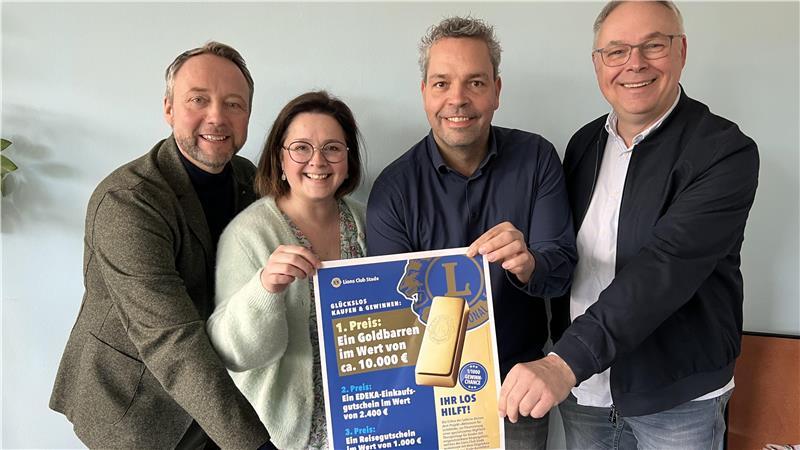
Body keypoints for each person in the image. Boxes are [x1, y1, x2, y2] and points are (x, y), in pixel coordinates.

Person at [497, 2, 759, 449]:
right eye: (616, 51)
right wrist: (532, 265)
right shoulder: (583, 144)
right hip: (585, 396)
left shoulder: (725, 151)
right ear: (598, 64)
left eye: (653, 46)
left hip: (677, 399)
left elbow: (664, 268)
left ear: (681, 51)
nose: (634, 63)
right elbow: (572, 260)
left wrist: (562, 363)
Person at [49, 42, 274, 448]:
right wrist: (256, 445)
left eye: (234, 104)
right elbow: (170, 340)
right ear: (169, 108)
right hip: (136, 406)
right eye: (198, 100)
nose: (217, 117)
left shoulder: (248, 179)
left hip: (221, 387)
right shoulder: (127, 200)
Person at [366, 16, 577, 449]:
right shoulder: (393, 188)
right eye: (442, 83)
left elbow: (561, 275)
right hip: (428, 399)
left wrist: (529, 264)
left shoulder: (537, 159)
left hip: (518, 391)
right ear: (424, 92)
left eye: (475, 83)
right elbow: (394, 314)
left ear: (497, 91)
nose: (457, 99)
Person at [207, 91, 366, 450]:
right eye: (301, 148)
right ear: (280, 158)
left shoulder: (366, 222)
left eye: (332, 148)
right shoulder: (249, 234)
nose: (317, 161)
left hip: (366, 423)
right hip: (284, 436)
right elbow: (233, 354)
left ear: (348, 159)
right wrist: (264, 288)